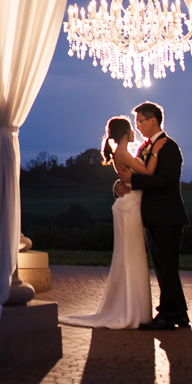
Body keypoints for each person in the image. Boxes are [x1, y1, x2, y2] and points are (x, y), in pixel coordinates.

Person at [58, 116, 154, 329]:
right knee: (131, 256)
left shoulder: (123, 153)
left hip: (128, 205)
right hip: (129, 207)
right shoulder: (123, 153)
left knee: (131, 255)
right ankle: (130, 310)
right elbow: (147, 173)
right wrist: (153, 153)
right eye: (131, 128)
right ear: (124, 133)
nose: (134, 132)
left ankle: (131, 307)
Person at [121, 100, 190, 329]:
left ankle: (167, 315)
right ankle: (179, 313)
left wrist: (135, 181)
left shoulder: (168, 147)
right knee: (161, 266)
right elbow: (135, 174)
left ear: (153, 120)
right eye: (136, 122)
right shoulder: (144, 148)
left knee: (167, 266)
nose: (137, 126)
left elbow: (166, 180)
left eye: (140, 121)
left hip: (168, 216)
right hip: (151, 216)